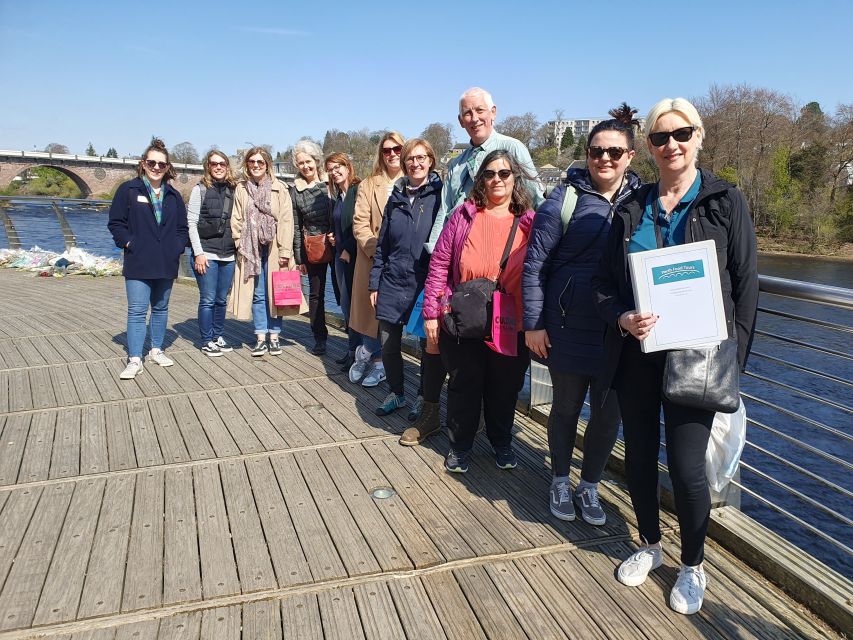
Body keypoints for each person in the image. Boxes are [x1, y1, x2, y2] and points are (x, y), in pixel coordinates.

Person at [593, 97, 758, 615]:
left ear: (699, 137)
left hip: (700, 356)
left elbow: (748, 288)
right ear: (649, 146)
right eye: (661, 138)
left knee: (687, 470)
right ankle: (647, 542)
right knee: (639, 458)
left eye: (681, 134)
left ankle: (692, 564)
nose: (672, 145)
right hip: (639, 354)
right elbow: (601, 286)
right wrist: (621, 316)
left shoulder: (725, 201)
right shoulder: (632, 207)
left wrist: (736, 362)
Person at [523, 106, 642, 525]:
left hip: (621, 330)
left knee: (609, 415)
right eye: (596, 151)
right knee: (566, 407)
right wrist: (534, 323)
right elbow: (535, 265)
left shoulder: (643, 202)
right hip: (569, 325)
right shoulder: (564, 199)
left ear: (630, 156)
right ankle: (559, 479)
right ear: (587, 154)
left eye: (614, 151)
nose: (604, 159)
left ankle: (588, 485)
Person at [423, 150, 536, 473]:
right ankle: (460, 445)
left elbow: (543, 271)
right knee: (463, 385)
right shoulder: (463, 216)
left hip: (510, 322)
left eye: (504, 173)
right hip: (464, 316)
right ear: (480, 179)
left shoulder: (529, 221)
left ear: (515, 178)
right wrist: (433, 312)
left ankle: (501, 441)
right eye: (489, 174)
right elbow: (439, 266)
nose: (497, 180)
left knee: (505, 387)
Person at [368, 138, 444, 425]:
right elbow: (382, 246)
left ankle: (424, 396)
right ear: (404, 163)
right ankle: (397, 392)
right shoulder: (395, 199)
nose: (416, 163)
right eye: (410, 158)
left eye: (421, 157)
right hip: (391, 281)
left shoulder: (439, 196)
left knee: (428, 347)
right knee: (388, 343)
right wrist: (374, 283)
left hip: (424, 283)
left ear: (431, 161)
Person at [425, 87, 544, 253]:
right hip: (458, 249)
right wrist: (434, 250)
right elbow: (444, 209)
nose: (475, 119)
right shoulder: (456, 164)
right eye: (467, 113)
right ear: (460, 121)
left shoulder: (513, 148)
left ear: (493, 112)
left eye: (480, 110)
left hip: (500, 249)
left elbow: (537, 200)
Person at [108, 138, 188, 380]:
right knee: (137, 311)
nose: (156, 167)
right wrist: (129, 243)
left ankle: (156, 349)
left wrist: (176, 247)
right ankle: (134, 358)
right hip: (139, 260)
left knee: (161, 308)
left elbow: (182, 229)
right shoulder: (129, 190)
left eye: (161, 164)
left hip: (166, 261)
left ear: (167, 168)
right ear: (143, 164)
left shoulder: (173, 195)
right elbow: (116, 223)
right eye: (151, 162)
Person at [228, 146, 305, 356]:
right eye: (252, 162)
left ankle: (275, 336)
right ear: (247, 165)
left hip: (275, 248)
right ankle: (261, 337)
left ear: (267, 165)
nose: (255, 166)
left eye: (260, 162)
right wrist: (240, 243)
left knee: (276, 293)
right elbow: (236, 219)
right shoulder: (241, 189)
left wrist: (285, 252)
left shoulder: (280, 188)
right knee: (258, 293)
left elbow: (287, 222)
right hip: (250, 248)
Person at [349, 132, 405, 387]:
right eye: (387, 150)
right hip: (373, 258)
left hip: (405, 262)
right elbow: (360, 222)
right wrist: (376, 249)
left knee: (392, 316)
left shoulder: (414, 180)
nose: (392, 154)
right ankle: (370, 355)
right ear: (381, 155)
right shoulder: (369, 184)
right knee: (373, 312)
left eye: (397, 148)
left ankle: (374, 358)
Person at [187, 149, 238, 357]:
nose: (218, 167)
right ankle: (207, 339)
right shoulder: (199, 190)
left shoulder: (234, 190)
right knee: (207, 299)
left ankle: (218, 335)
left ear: (227, 166)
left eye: (222, 164)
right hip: (206, 254)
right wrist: (198, 253)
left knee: (221, 299)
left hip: (228, 254)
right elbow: (191, 224)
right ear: (208, 167)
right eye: (214, 164)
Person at [291, 139, 334, 355]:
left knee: (343, 291)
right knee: (316, 294)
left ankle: (354, 339)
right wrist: (299, 259)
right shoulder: (296, 191)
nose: (305, 166)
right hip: (312, 246)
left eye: (308, 161)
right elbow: (297, 225)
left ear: (316, 160)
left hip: (336, 243)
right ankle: (319, 336)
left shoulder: (330, 183)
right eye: (301, 163)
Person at [325, 152, 362, 370]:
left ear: (348, 167)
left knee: (355, 306)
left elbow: (362, 223)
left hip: (354, 257)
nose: (334, 171)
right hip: (340, 257)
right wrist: (333, 235)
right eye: (330, 169)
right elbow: (339, 223)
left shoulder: (358, 191)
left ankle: (359, 353)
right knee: (346, 306)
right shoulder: (338, 195)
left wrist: (348, 247)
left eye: (338, 166)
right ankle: (352, 350)